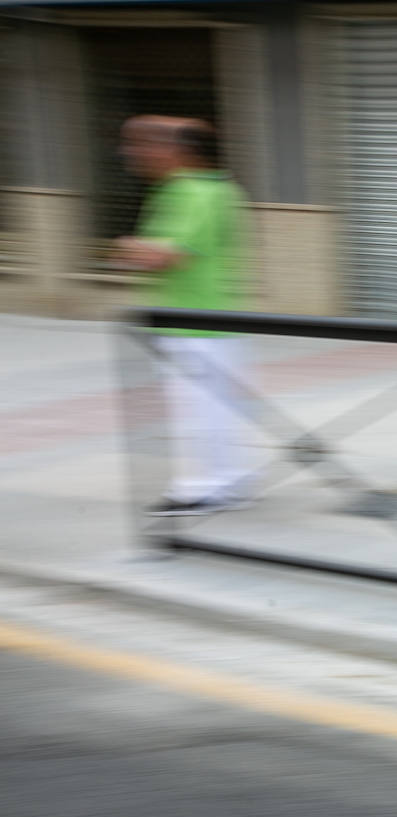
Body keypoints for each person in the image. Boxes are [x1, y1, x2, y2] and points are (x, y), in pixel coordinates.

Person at [116, 116, 253, 517]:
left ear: (180, 151)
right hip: (221, 313)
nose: (133, 152)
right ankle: (231, 479)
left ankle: (207, 487)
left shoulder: (186, 190)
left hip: (191, 320)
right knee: (217, 405)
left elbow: (166, 254)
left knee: (196, 408)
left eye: (146, 143)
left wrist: (127, 248)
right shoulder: (224, 187)